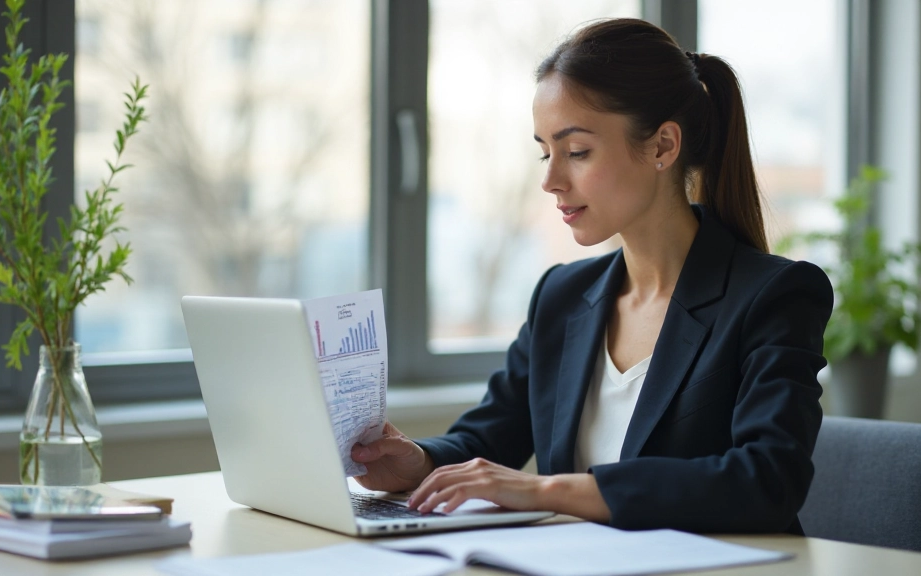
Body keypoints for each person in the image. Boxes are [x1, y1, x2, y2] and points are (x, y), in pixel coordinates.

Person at [351, 18, 833, 534]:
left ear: (663, 147)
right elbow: (485, 442)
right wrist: (418, 462)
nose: (551, 180)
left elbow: (767, 481)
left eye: (577, 152)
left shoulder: (774, 295)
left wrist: (548, 489)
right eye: (545, 152)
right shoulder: (562, 295)